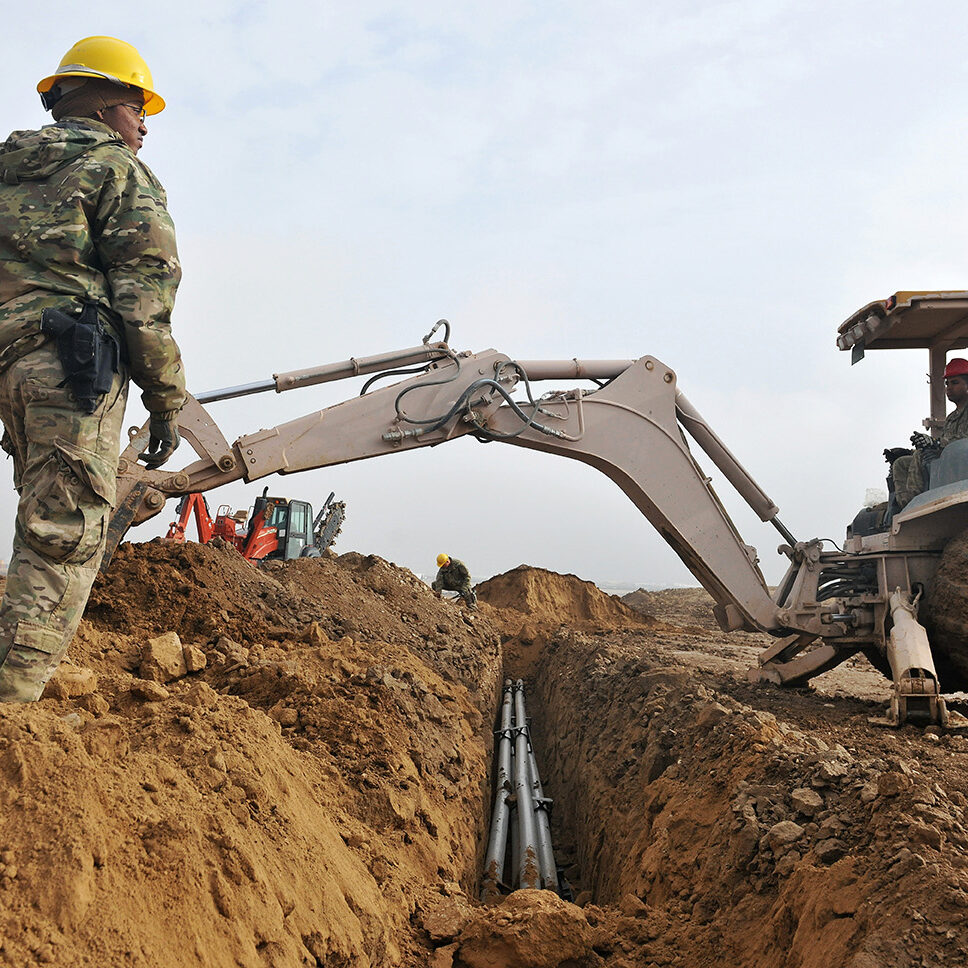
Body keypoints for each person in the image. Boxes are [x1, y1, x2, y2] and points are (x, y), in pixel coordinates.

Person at [0, 36, 186, 702]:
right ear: (111, 105)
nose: (144, 129)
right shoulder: (115, 172)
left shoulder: (7, 168)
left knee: (36, 518)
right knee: (63, 534)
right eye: (141, 112)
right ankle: (12, 710)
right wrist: (167, 401)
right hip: (70, 371)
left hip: (10, 371)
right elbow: (143, 297)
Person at [889, 358, 968, 509]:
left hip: (960, 469)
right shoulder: (952, 417)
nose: (949, 388)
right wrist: (916, 449)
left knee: (920, 456)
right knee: (901, 463)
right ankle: (904, 507)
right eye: (947, 383)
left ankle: (916, 505)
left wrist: (935, 443)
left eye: (955, 382)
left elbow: (962, 442)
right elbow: (944, 442)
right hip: (946, 463)